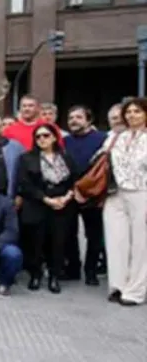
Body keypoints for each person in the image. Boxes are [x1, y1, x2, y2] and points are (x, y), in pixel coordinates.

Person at [86, 97, 147, 307]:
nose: (132, 116)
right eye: (128, 112)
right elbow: (97, 159)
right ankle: (118, 285)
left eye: (137, 112)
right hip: (115, 193)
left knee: (141, 244)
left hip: (142, 192)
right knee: (116, 241)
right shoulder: (116, 137)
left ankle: (136, 290)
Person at [17, 123, 77, 293]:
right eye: (38, 137)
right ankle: (35, 275)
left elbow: (74, 180)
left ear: (54, 137)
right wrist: (46, 199)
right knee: (37, 242)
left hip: (62, 205)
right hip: (38, 203)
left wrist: (66, 198)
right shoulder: (26, 158)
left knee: (58, 243)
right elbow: (25, 184)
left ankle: (54, 276)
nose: (42, 139)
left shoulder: (66, 157)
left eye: (46, 135)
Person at [62, 105, 107, 285]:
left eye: (79, 117)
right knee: (69, 232)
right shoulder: (65, 141)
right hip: (71, 192)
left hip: (92, 193)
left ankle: (91, 271)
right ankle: (73, 268)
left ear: (89, 120)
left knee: (93, 235)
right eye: (71, 117)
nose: (74, 121)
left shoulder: (102, 139)